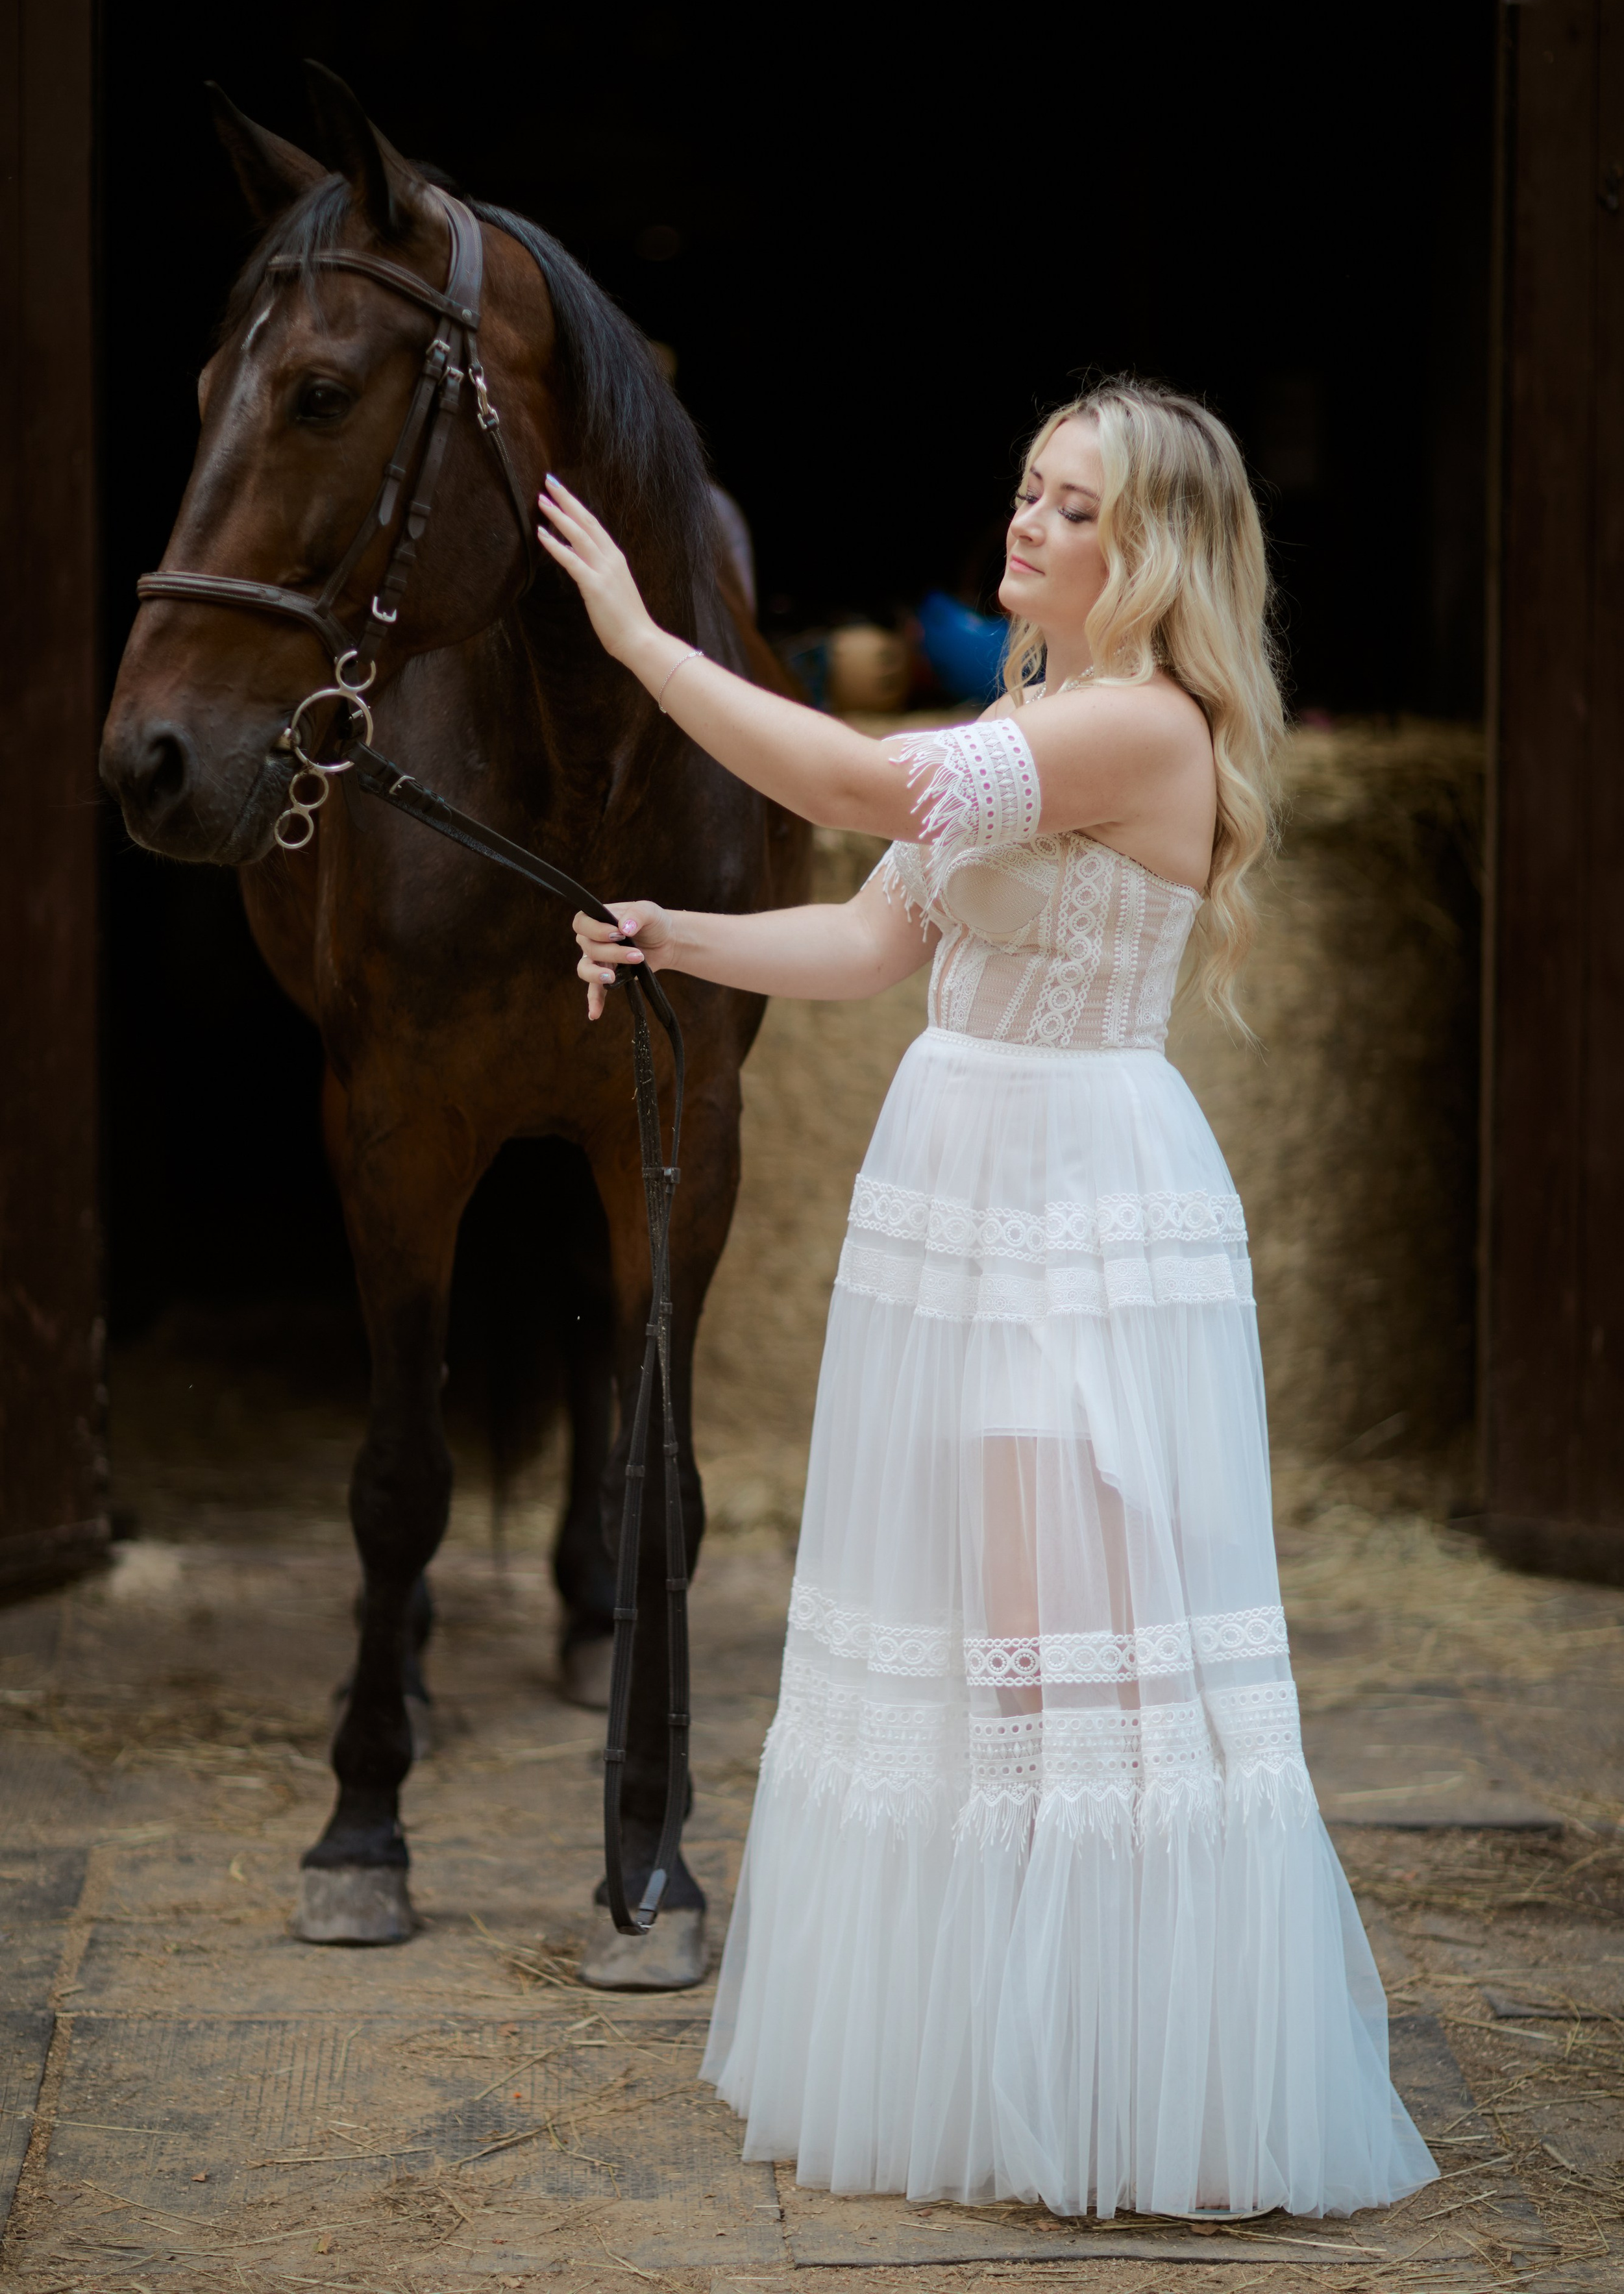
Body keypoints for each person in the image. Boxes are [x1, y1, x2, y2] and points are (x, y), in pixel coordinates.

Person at [537, 378, 1436, 2221]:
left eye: (1071, 504)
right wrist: (670, 934)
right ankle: (1030, 2063)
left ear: (1151, 550)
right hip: (959, 1197)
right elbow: (877, 941)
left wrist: (638, 641)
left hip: (1072, 1211)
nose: (1025, 521)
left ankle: (1107, 2090)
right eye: (1025, 489)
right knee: (987, 1646)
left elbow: (860, 783)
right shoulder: (1032, 714)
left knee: (1054, 1656)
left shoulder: (1133, 728)